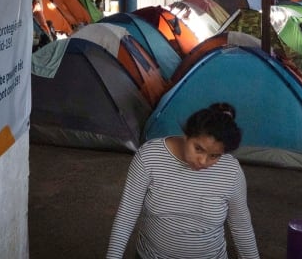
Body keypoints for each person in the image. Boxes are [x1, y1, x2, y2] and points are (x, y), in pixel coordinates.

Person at [106, 103, 259, 259]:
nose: (203, 161)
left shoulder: (231, 171)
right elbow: (127, 215)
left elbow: (241, 227)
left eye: (214, 156)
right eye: (198, 148)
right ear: (186, 135)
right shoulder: (149, 157)